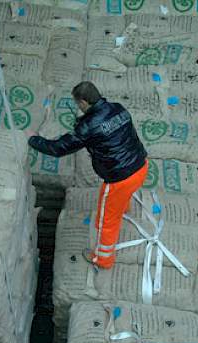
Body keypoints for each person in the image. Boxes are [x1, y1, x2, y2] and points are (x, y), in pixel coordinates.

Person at [26, 81, 148, 269]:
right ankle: (123, 209)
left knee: (106, 221)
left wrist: (33, 139)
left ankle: (103, 259)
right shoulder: (118, 108)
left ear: (83, 102)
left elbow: (59, 148)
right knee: (122, 197)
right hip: (140, 166)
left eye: (78, 104)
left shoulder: (88, 127)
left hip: (120, 179)